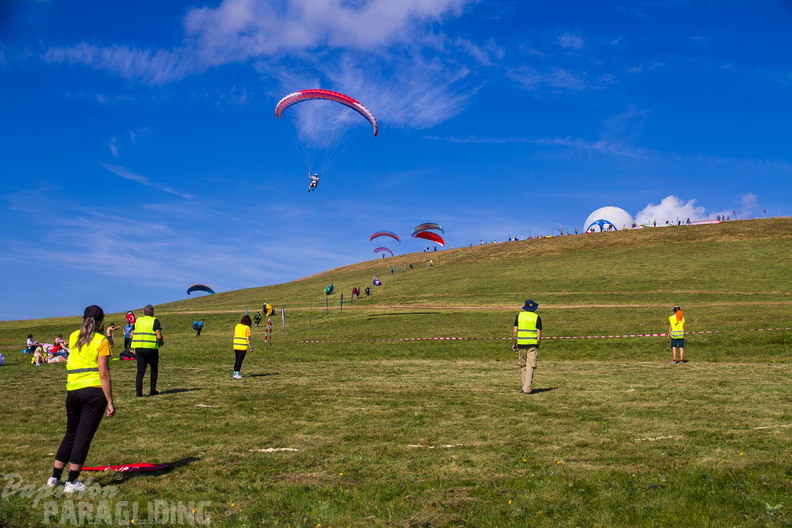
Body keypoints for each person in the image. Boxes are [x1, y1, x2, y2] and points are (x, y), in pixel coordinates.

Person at [46, 305, 115, 493]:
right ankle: (73, 481)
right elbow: (104, 374)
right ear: (101, 321)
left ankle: (55, 477)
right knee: (83, 435)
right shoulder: (102, 341)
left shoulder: (73, 336)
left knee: (71, 433)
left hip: (73, 390)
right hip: (93, 392)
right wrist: (109, 400)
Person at [130, 304, 164, 397]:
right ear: (152, 312)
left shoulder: (138, 321)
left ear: (144, 312)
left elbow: (131, 335)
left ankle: (139, 392)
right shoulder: (155, 321)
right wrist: (161, 342)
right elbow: (159, 336)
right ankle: (152, 390)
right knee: (153, 369)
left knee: (140, 371)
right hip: (151, 348)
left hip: (139, 348)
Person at [511, 300, 543, 394]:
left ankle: (525, 387)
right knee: (531, 366)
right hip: (532, 344)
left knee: (523, 365)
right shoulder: (536, 317)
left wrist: (514, 343)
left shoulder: (519, 315)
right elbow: (539, 334)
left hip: (521, 344)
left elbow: (514, 331)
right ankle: (527, 389)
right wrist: (538, 344)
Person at [232, 315, 253, 379]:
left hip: (236, 345)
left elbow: (235, 334)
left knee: (237, 359)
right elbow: (248, 338)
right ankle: (237, 373)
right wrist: (250, 347)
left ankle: (235, 372)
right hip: (242, 346)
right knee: (240, 360)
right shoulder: (247, 328)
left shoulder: (237, 326)